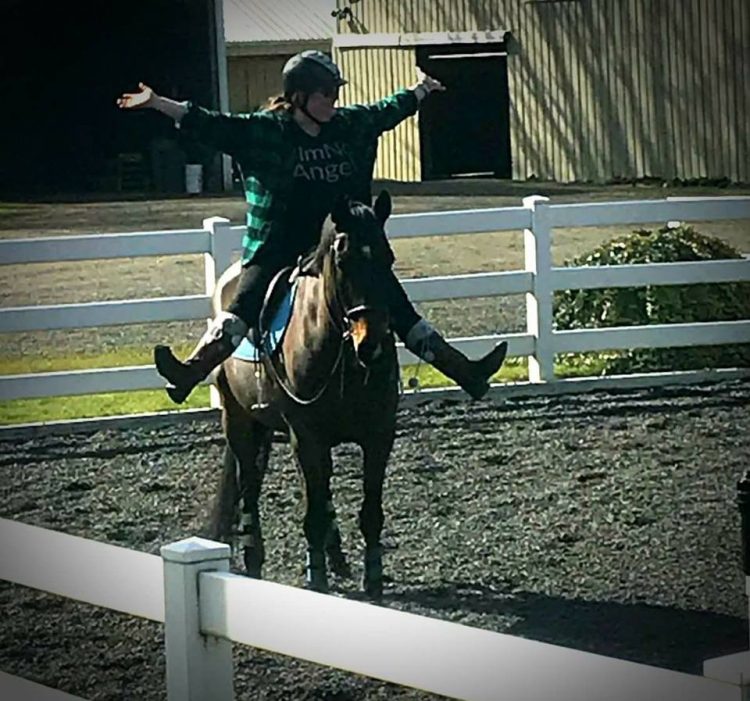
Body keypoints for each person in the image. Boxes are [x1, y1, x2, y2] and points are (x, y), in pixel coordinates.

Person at [117, 50, 507, 403]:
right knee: (243, 307)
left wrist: (420, 90)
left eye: (335, 94)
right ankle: (191, 372)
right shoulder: (266, 131)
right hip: (277, 245)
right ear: (300, 96)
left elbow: (385, 111)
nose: (334, 102)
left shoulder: (347, 126)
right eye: (326, 94)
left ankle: (465, 372)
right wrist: (156, 103)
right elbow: (208, 123)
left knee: (397, 308)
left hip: (339, 245)